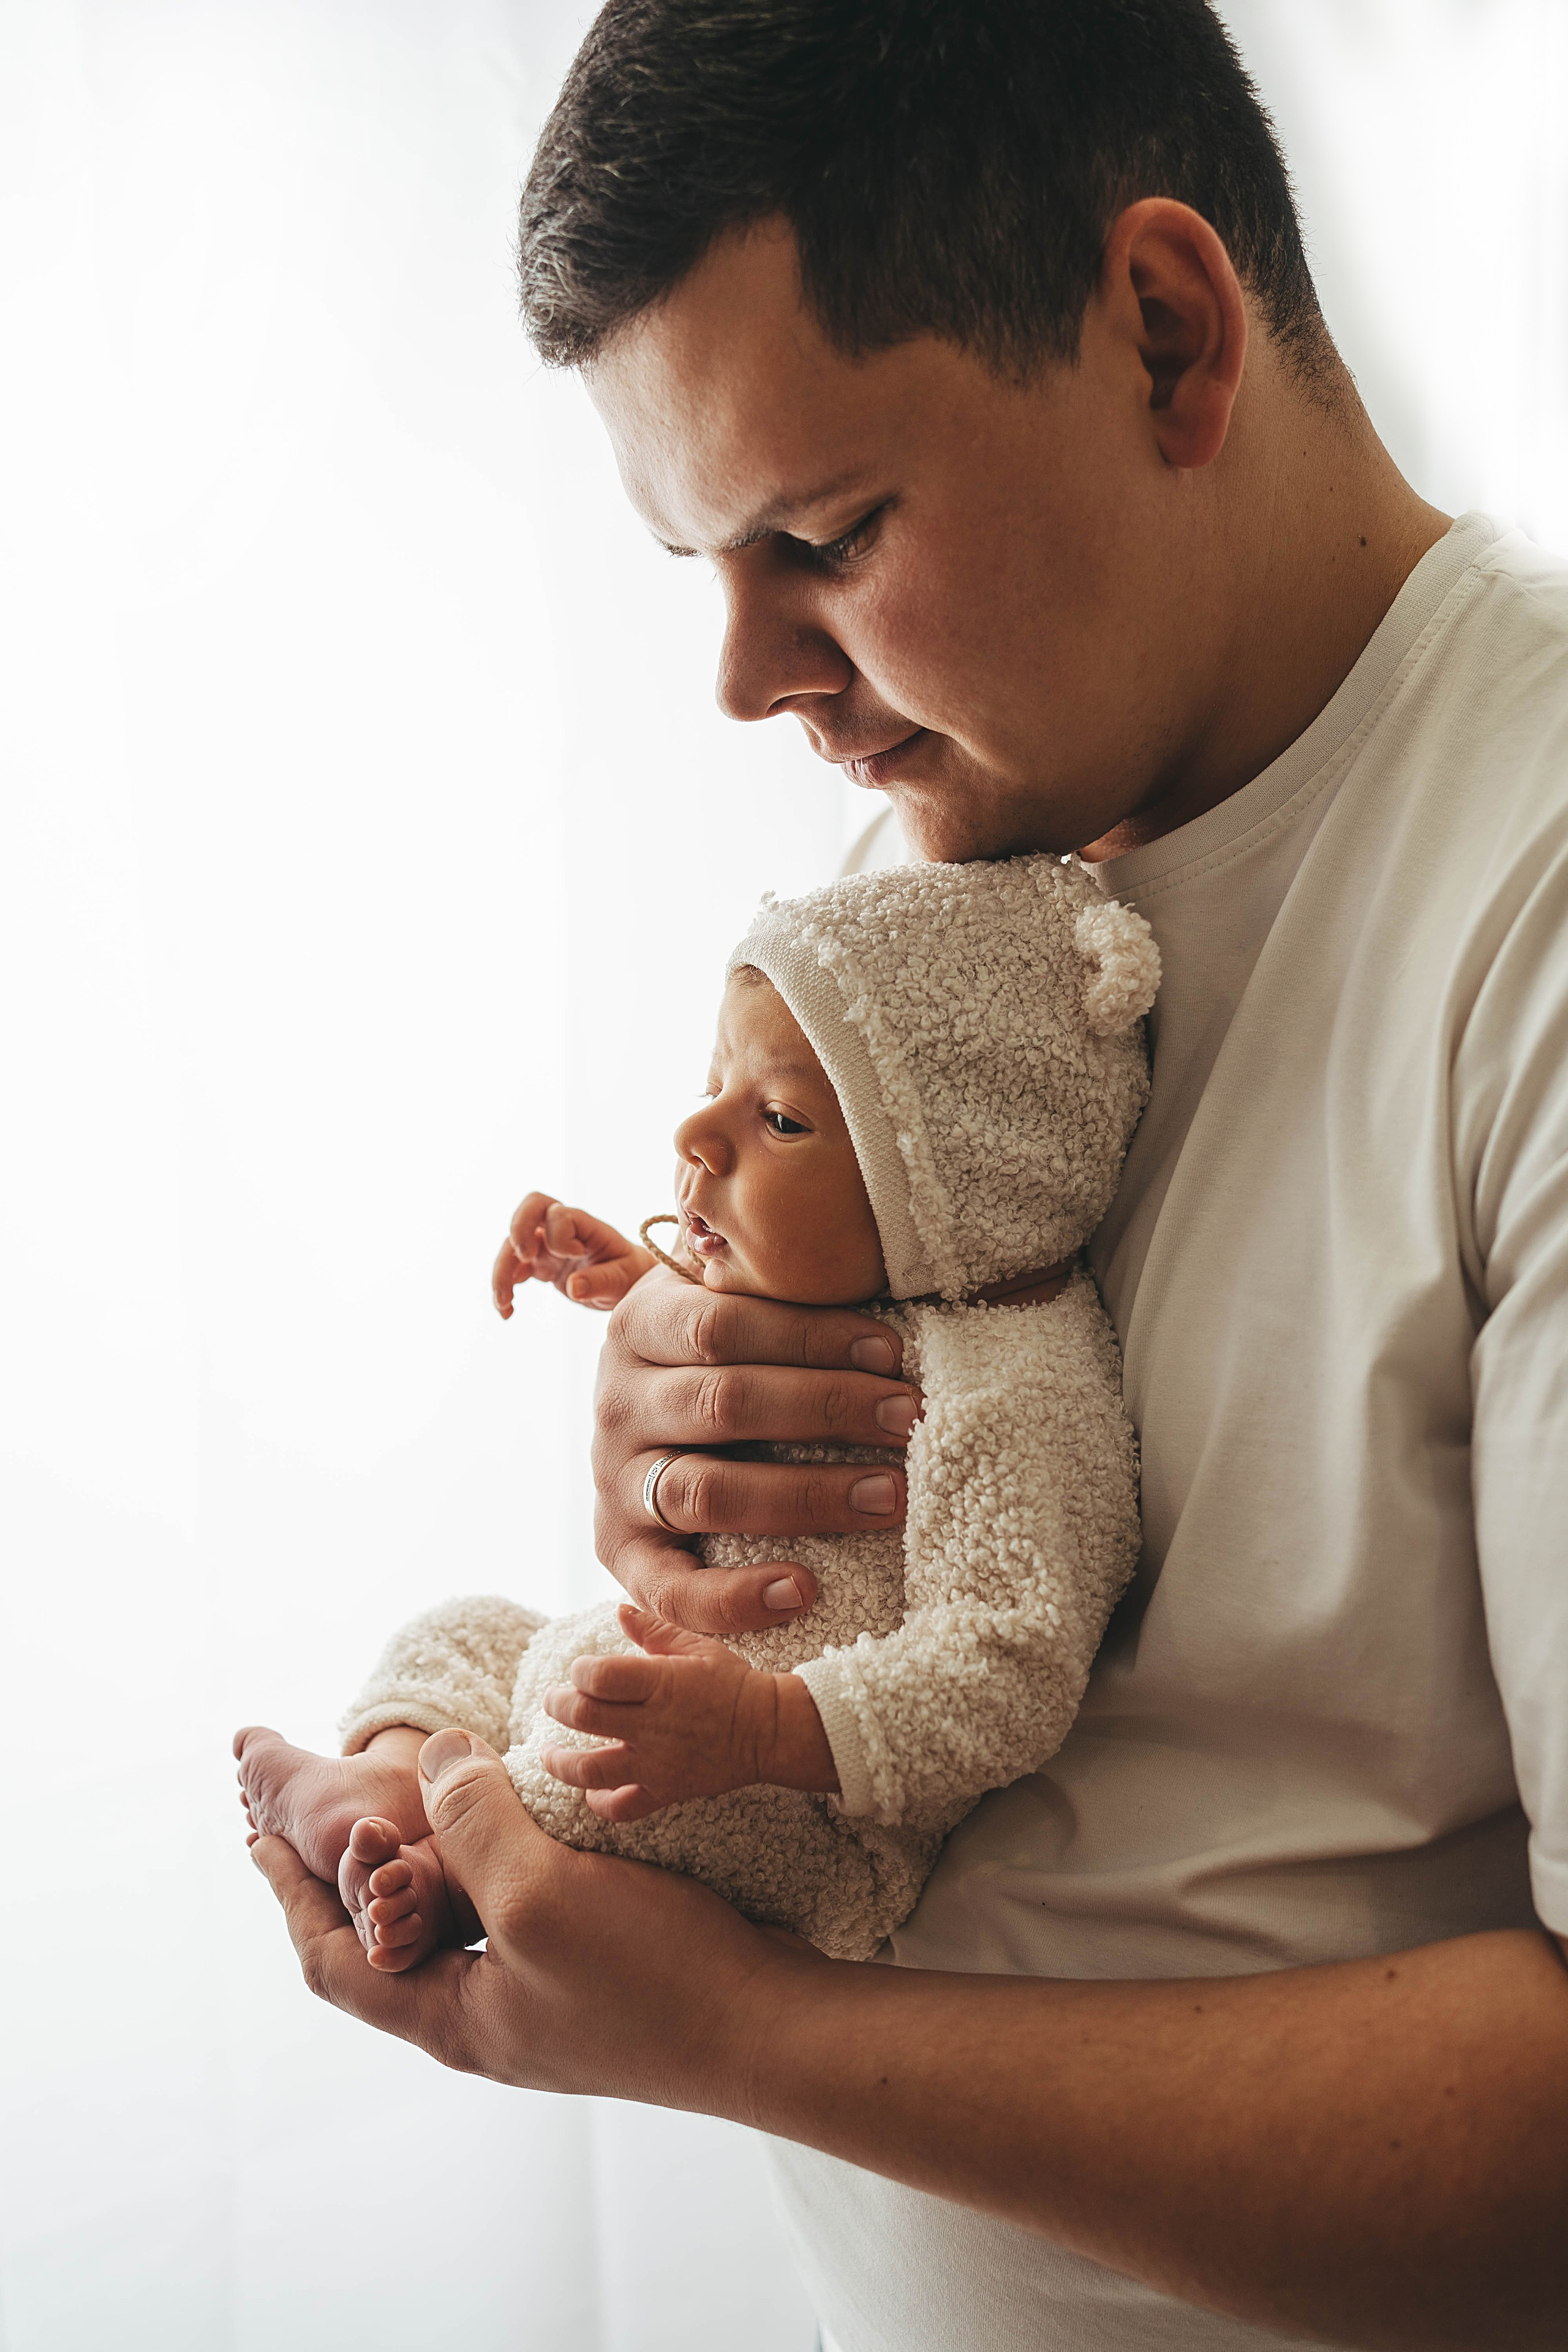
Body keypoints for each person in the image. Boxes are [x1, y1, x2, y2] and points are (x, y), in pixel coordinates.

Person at [251, 2, 1568, 2345]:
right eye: (699, 563)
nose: (749, 679)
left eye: (826, 537)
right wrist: (688, 1459)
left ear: (1166, 333)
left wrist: (732, 2041)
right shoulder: (941, 877)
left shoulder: (1529, 900)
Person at [238, 854, 1156, 1968]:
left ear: (953, 1179)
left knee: (607, 1778)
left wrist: (763, 1732)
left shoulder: (1013, 1394)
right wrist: (635, 1277)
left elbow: (1010, 1671)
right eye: (716, 1077)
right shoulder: (882, 1275)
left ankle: (445, 1867)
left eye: (777, 1119)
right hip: (669, 1694)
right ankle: (387, 1777)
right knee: (477, 1632)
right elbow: (759, 1339)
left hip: (798, 1810)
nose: (696, 1134)